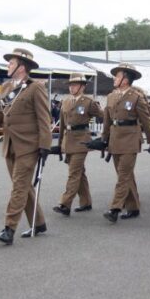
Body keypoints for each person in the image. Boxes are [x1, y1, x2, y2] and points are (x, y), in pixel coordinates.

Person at [0, 48, 52, 245]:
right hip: (10, 145)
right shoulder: (7, 87)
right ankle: (39, 222)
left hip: (29, 146)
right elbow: (1, 115)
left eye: (11, 63)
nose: (8, 66)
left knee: (18, 187)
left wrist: (45, 146)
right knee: (24, 187)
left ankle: (9, 228)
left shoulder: (36, 88)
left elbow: (44, 118)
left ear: (21, 67)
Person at [101, 63, 150, 223]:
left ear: (126, 79)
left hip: (131, 139)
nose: (115, 79)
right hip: (115, 139)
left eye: (118, 76)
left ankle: (115, 208)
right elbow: (107, 121)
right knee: (125, 175)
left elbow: (147, 122)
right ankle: (133, 207)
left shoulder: (136, 97)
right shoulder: (111, 96)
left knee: (123, 176)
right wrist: (104, 138)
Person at [52, 73, 104, 216]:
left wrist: (104, 136)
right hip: (68, 141)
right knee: (80, 173)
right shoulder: (66, 102)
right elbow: (62, 125)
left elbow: (104, 117)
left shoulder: (88, 102)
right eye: (70, 85)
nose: (71, 87)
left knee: (74, 173)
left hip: (82, 141)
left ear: (82, 86)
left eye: (74, 85)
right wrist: (59, 143)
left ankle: (65, 204)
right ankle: (86, 202)